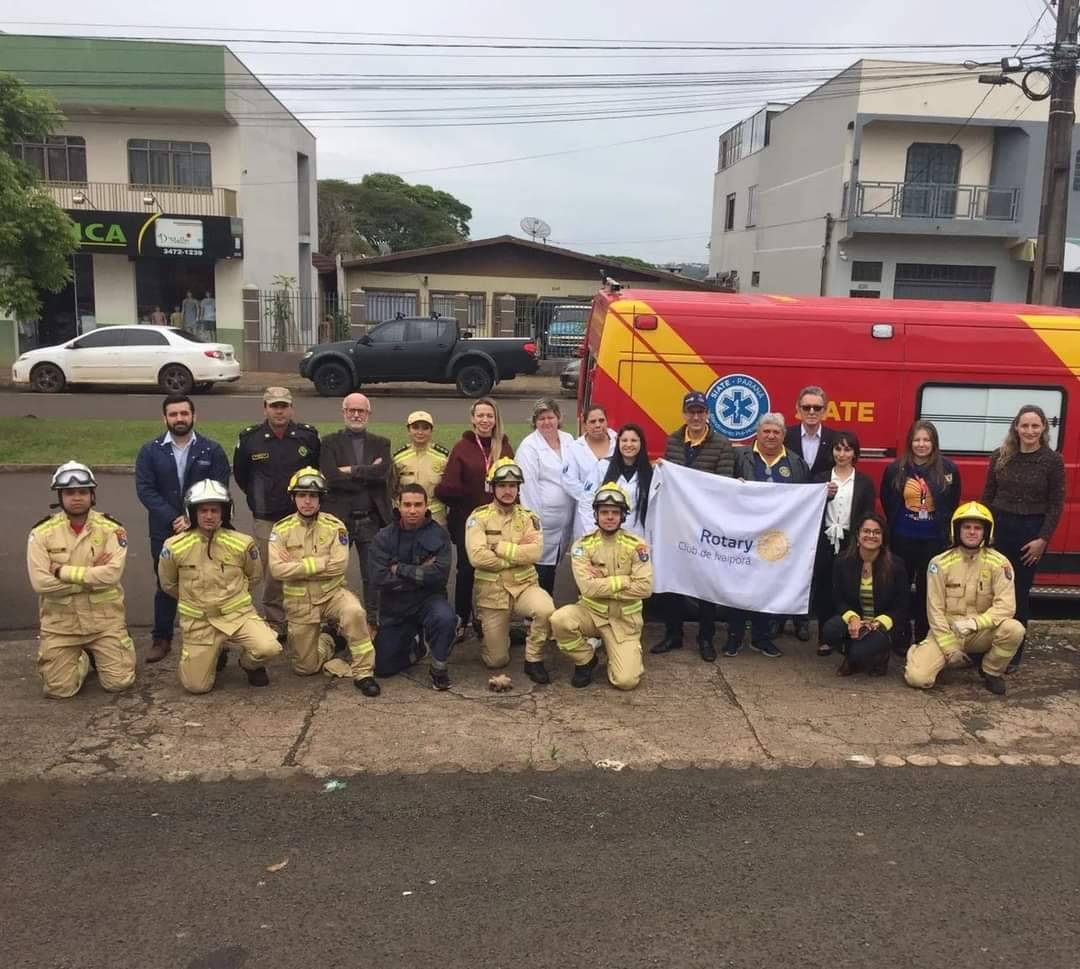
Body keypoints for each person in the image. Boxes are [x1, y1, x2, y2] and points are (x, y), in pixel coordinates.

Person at [157, 480, 283, 694]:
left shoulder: (243, 543)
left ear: (225, 512)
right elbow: (168, 584)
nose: (209, 515)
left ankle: (249, 664)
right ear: (192, 512)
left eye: (215, 510)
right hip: (200, 622)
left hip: (237, 615)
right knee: (196, 687)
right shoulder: (174, 547)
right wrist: (197, 602)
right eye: (203, 510)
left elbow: (254, 577)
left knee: (269, 648)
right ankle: (216, 651)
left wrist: (231, 598)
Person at [26, 461, 136, 699]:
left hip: (104, 623)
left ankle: (102, 651)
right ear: (60, 495)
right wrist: (90, 575)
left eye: (82, 492)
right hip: (61, 627)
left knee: (119, 683)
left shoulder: (112, 530)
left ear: (92, 494)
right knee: (58, 691)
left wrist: (62, 571)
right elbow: (40, 583)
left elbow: (111, 575)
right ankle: (83, 658)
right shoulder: (41, 533)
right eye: (70, 493)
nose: (77, 498)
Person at [134, 394, 230, 663]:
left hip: (204, 529)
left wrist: (192, 518)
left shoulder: (212, 450)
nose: (179, 419)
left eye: (184, 414)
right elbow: (145, 490)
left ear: (194, 416)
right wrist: (173, 517)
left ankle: (216, 640)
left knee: (208, 582)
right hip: (164, 531)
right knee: (166, 584)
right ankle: (161, 638)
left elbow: (220, 489)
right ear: (165, 418)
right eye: (173, 414)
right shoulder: (150, 451)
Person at [267, 468, 379, 697]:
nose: (307, 501)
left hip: (332, 595)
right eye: (301, 495)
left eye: (313, 496)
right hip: (300, 603)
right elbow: (277, 570)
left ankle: (364, 672)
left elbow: (339, 565)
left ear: (321, 499)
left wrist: (297, 565)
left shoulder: (335, 526)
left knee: (355, 612)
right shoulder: (281, 529)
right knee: (305, 669)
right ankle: (329, 640)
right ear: (293, 498)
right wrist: (319, 563)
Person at [905, 502, 1024, 696]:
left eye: (978, 528)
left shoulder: (1000, 563)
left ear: (986, 532)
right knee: (918, 679)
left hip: (981, 630)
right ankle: (921, 654)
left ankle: (990, 671)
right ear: (956, 530)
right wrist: (949, 648)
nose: (972, 532)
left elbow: (1006, 606)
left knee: (1015, 629)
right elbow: (934, 610)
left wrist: (974, 623)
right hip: (948, 631)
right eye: (966, 527)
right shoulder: (939, 563)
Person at [981, 404, 1066, 672]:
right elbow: (987, 497)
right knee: (990, 591)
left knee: (1018, 594)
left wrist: (1043, 540)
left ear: (1043, 428)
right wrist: (984, 533)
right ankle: (983, 646)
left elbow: (1055, 505)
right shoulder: (1000, 456)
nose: (1029, 431)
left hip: (1030, 534)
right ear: (1015, 427)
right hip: (1000, 529)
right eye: (1024, 425)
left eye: (1035, 426)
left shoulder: (1053, 461)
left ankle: (1012, 653)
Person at [653, 390, 736, 662]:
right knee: (673, 581)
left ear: (707, 414)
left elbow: (723, 485)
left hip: (706, 526)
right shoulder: (674, 441)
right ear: (684, 414)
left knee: (705, 584)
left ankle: (705, 638)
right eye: (692, 411)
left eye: (701, 412)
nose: (696, 416)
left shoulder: (722, 445)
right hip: (677, 524)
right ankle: (673, 634)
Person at [233, 387, 321, 636]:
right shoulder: (250, 438)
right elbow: (241, 476)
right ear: (265, 408)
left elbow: (316, 473)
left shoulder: (307, 436)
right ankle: (275, 621)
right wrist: (258, 497)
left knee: (303, 565)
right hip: (266, 517)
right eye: (274, 406)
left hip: (300, 516)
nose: (279, 410)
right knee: (273, 571)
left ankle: (303, 616)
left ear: (291, 408)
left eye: (283, 405)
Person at [550, 483, 654, 689]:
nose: (609, 517)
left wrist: (602, 582)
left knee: (626, 682)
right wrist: (625, 580)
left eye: (615, 512)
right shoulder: (582, 546)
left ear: (623, 516)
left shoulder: (637, 545)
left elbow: (645, 588)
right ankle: (586, 660)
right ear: (596, 514)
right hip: (592, 615)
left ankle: (619, 650)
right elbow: (587, 589)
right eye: (604, 512)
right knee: (559, 620)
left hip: (623, 621)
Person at [465, 458, 555, 686]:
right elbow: (476, 557)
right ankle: (498, 635)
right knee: (496, 661)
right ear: (492, 487)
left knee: (545, 610)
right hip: (492, 593)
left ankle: (533, 659)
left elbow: (535, 553)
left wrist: (498, 547)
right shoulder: (478, 518)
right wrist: (516, 556)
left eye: (513, 485)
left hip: (524, 586)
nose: (508, 490)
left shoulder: (529, 517)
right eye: (502, 485)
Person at [728, 412, 811, 658]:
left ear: (784, 435)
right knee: (738, 586)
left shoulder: (796, 464)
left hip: (775, 540)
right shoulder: (738, 456)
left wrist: (822, 495)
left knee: (767, 586)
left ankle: (762, 637)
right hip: (742, 536)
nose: (771, 436)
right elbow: (720, 487)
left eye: (776, 432)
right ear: (758, 433)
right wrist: (733, 485)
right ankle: (734, 636)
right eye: (766, 431)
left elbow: (804, 500)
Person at [435, 398, 514, 638]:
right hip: (468, 521)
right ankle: (462, 619)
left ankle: (490, 618)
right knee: (467, 570)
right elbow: (446, 488)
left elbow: (514, 486)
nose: (485, 420)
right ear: (472, 419)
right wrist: (471, 496)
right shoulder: (462, 447)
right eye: (480, 415)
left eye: (489, 416)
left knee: (496, 569)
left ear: (495, 419)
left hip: (499, 521)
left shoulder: (505, 447)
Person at [880, 419, 961, 653]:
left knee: (929, 592)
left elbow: (951, 503)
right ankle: (900, 637)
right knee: (900, 590)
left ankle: (924, 637)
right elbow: (888, 501)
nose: (921, 444)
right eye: (917, 440)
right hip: (902, 539)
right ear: (910, 442)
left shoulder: (948, 470)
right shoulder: (896, 469)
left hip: (933, 542)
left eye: (926, 440)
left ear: (934, 443)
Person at [370, 484, 457, 690]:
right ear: (398, 506)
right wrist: (419, 574)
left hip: (429, 601)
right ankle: (418, 645)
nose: (412, 510)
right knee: (383, 668)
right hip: (396, 606)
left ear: (427, 506)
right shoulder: (384, 537)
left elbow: (439, 576)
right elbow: (378, 578)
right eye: (407, 504)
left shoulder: (439, 535)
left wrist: (398, 568)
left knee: (445, 618)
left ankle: (439, 669)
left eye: (418, 505)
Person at [319, 393, 392, 623]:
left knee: (372, 574)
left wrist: (349, 470)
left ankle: (373, 619)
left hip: (371, 519)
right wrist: (366, 470)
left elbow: (381, 475)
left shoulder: (382, 443)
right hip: (340, 519)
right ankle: (333, 619)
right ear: (344, 412)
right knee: (333, 572)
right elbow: (331, 477)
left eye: (361, 410)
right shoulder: (329, 442)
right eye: (352, 410)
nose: (356, 414)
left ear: (368, 414)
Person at [819, 512, 908, 676]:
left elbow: (901, 605)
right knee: (831, 630)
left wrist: (877, 624)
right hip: (856, 619)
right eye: (866, 531)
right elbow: (838, 599)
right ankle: (853, 655)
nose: (871, 536)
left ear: (883, 538)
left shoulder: (896, 565)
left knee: (862, 650)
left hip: (883, 623)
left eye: (877, 532)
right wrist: (853, 618)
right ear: (858, 535)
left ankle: (876, 656)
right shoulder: (842, 561)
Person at [812, 430, 875, 655]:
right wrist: (823, 495)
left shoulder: (864, 482)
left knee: (848, 589)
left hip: (850, 541)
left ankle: (849, 636)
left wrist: (862, 541)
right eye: (838, 448)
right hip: (824, 540)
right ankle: (825, 636)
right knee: (824, 589)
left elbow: (868, 514)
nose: (842, 454)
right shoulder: (820, 478)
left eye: (847, 449)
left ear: (855, 453)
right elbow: (807, 508)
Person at [783, 385, 838, 641]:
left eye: (817, 407)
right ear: (798, 410)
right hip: (788, 516)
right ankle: (778, 619)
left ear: (825, 411)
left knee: (810, 569)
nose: (812, 412)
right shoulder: (786, 436)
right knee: (783, 566)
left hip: (820, 517)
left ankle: (802, 619)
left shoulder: (835, 440)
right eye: (807, 407)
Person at [516, 397, 576, 595]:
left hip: (566, 520)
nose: (547, 422)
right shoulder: (529, 446)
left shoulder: (568, 439)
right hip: (544, 522)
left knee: (553, 566)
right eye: (541, 419)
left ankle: (545, 612)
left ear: (558, 418)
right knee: (540, 570)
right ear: (534, 422)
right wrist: (535, 524)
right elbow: (528, 488)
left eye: (550, 417)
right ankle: (536, 618)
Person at [565, 405, 618, 542]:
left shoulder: (619, 443)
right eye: (592, 422)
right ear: (584, 424)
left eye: (601, 420)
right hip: (586, 513)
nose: (598, 425)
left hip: (616, 510)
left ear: (607, 421)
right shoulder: (574, 448)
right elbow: (569, 481)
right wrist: (594, 498)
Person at [390, 410, 450, 528]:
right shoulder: (399, 458)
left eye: (425, 428)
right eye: (415, 427)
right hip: (407, 519)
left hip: (436, 519)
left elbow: (448, 489)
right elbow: (392, 488)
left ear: (431, 431)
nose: (420, 432)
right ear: (408, 430)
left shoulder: (443, 458)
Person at [600, 423, 653, 537]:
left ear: (641, 443)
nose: (628, 444)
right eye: (624, 440)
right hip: (608, 536)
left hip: (638, 537)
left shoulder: (650, 473)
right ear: (618, 442)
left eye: (634, 440)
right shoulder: (603, 467)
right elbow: (587, 501)